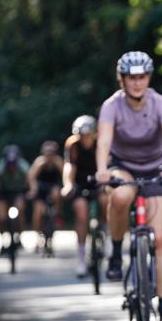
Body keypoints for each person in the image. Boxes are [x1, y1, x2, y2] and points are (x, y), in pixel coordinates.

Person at [95, 51, 162, 321]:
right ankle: (117, 251)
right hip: (123, 167)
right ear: (122, 79)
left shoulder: (161, 103)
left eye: (142, 77)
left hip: (157, 168)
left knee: (158, 241)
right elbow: (104, 140)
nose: (137, 83)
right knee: (120, 196)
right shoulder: (112, 106)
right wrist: (101, 169)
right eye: (131, 78)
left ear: (149, 77)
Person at [63, 115, 107, 277]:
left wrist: (106, 182)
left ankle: (106, 232)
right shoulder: (72, 144)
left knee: (105, 200)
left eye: (88, 135)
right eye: (82, 135)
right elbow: (69, 166)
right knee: (81, 212)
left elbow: (107, 164)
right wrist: (68, 184)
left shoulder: (101, 143)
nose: (85, 138)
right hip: (81, 183)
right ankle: (81, 257)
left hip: (99, 180)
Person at [28, 140, 65, 250]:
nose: (49, 156)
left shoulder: (58, 162)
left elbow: (65, 175)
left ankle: (58, 214)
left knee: (56, 193)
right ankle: (37, 236)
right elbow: (31, 177)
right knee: (38, 211)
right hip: (41, 189)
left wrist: (63, 187)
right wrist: (33, 189)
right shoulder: (39, 163)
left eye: (51, 154)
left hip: (54, 187)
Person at [0, 144, 30, 250]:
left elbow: (30, 181)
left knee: (20, 210)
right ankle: (2, 241)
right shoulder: (0, 167)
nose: (12, 167)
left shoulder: (23, 166)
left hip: (18, 192)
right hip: (3, 193)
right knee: (1, 217)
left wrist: (31, 191)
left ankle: (19, 237)